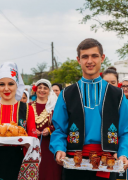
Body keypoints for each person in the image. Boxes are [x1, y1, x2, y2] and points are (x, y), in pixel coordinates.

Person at [49, 38, 128, 180]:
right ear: (78, 60)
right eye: (85, 56)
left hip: (107, 161)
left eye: (94, 56)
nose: (89, 61)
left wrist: (123, 152)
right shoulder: (66, 94)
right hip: (74, 161)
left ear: (102, 58)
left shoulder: (118, 95)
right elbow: (59, 129)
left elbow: (125, 130)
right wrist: (59, 148)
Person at [31, 79, 62, 180]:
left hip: (49, 145)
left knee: (49, 172)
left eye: (45, 88)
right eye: (39, 87)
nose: (42, 90)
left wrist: (49, 130)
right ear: (36, 89)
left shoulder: (54, 106)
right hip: (32, 146)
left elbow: (60, 123)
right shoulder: (29, 106)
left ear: (49, 91)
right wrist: (32, 130)